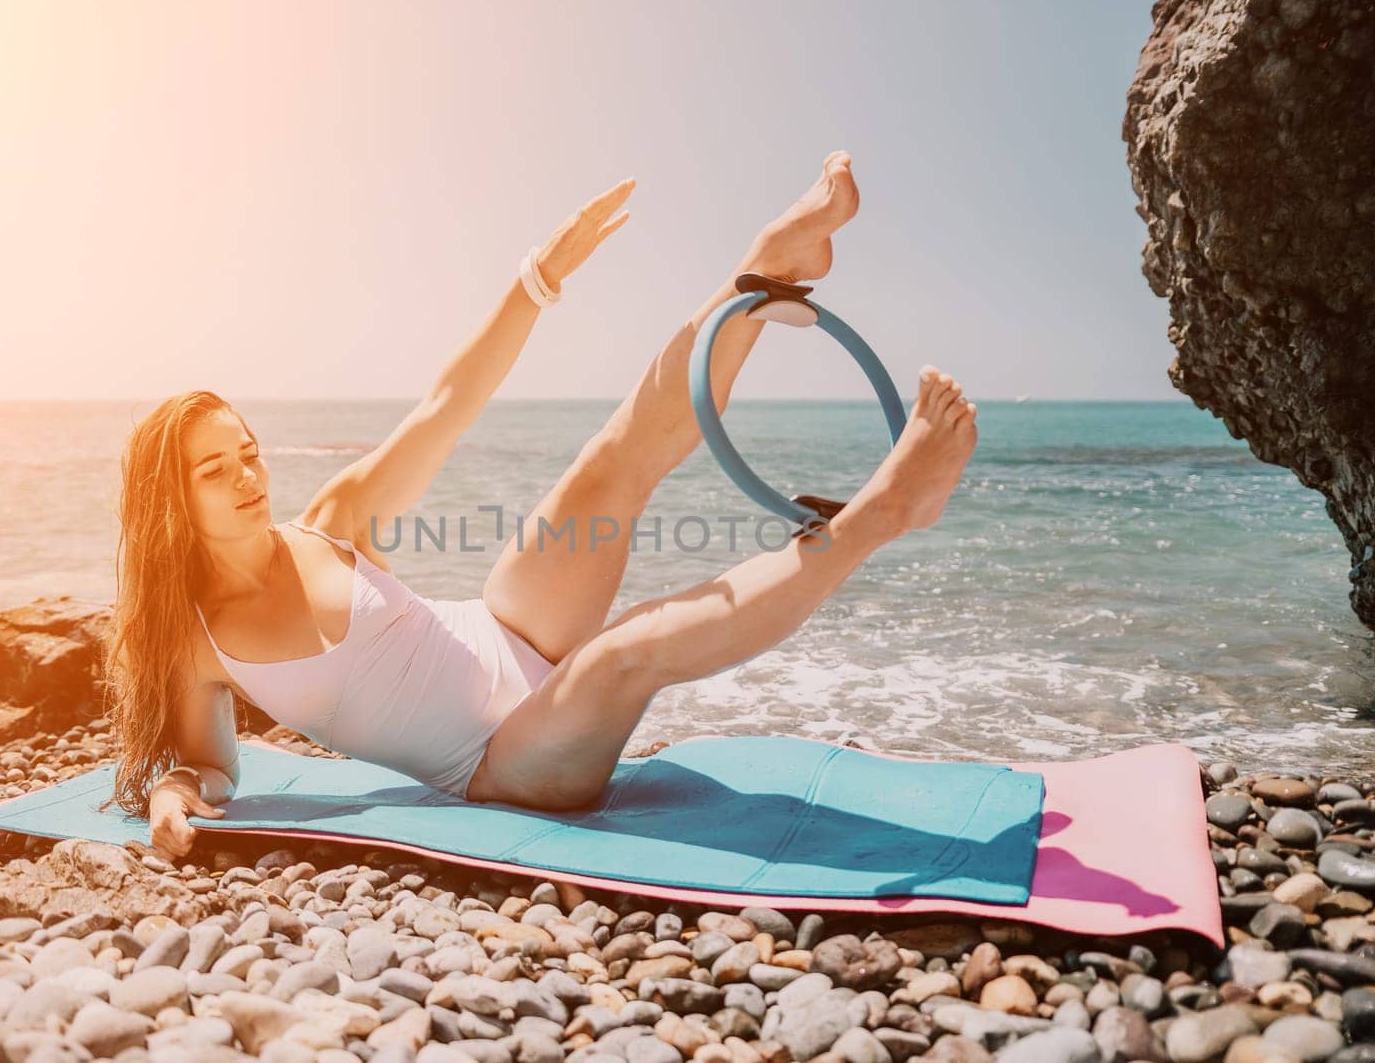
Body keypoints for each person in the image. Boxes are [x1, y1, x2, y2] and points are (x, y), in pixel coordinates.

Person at [102, 151, 979, 859]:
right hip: (504, 761)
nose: (249, 476)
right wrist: (174, 795)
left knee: (605, 469)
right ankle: (888, 508)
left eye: (249, 452)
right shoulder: (197, 635)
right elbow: (208, 765)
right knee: (623, 653)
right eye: (216, 470)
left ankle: (769, 269)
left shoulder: (329, 522)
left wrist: (536, 278)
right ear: (169, 502)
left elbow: (447, 404)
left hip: (505, 628)